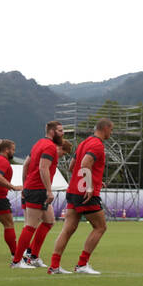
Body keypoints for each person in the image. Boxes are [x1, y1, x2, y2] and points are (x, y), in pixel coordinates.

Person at [49, 118, 113, 275]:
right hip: (85, 193)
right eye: (111, 130)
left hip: (73, 191)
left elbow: (72, 166)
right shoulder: (97, 145)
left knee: (67, 229)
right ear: (105, 128)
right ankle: (82, 264)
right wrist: (89, 185)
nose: (111, 133)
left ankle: (54, 266)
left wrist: (95, 180)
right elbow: (85, 164)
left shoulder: (85, 143)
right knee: (100, 227)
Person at [13, 120, 66, 268]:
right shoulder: (49, 146)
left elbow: (26, 165)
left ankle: (33, 257)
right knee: (30, 225)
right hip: (38, 189)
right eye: (60, 131)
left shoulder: (38, 144)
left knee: (49, 222)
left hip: (33, 187)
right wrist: (49, 190)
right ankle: (17, 261)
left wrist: (25, 184)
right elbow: (43, 168)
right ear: (52, 132)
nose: (63, 134)